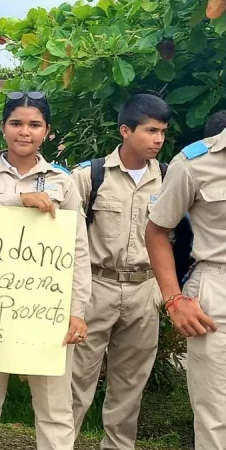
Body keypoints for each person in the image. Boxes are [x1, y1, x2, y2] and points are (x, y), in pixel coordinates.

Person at [0, 91, 91, 450]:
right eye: (16, 123)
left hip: (46, 311)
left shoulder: (63, 183)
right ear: (3, 128)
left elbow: (78, 250)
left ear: (47, 131)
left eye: (34, 125)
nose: (24, 132)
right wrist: (17, 201)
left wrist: (76, 312)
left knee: (54, 406)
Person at [69, 94, 170, 449]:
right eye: (150, 130)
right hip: (97, 287)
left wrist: (163, 292)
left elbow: (181, 239)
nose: (158, 139)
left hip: (145, 289)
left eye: (162, 132)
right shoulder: (90, 176)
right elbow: (64, 229)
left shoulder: (170, 179)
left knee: (129, 387)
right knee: (75, 381)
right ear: (125, 131)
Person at [146, 126, 226, 449]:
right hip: (217, 293)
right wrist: (174, 299)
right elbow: (156, 232)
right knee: (215, 416)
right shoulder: (195, 163)